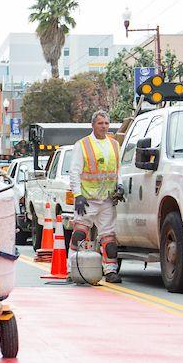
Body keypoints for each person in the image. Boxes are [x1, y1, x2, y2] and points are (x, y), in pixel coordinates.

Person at [69, 110, 123, 283]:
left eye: (106, 123)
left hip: (107, 199)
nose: (104, 126)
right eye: (100, 123)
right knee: (79, 234)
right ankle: (72, 269)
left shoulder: (114, 144)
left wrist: (119, 185)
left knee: (109, 237)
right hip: (87, 199)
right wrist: (77, 194)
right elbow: (75, 172)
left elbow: (117, 170)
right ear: (93, 125)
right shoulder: (82, 145)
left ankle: (110, 271)